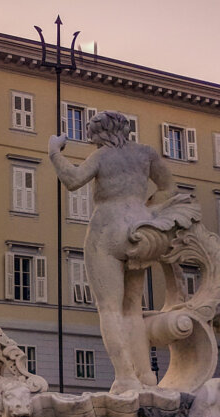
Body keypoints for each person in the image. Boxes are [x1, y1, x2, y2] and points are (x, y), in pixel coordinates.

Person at [49, 110, 190, 394]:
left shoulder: (101, 157)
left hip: (108, 227)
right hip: (140, 227)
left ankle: (125, 378)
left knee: (109, 308)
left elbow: (73, 180)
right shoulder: (146, 154)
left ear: (101, 133)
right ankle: (147, 378)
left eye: (93, 135)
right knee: (132, 308)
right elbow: (169, 187)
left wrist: (54, 153)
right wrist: (147, 209)